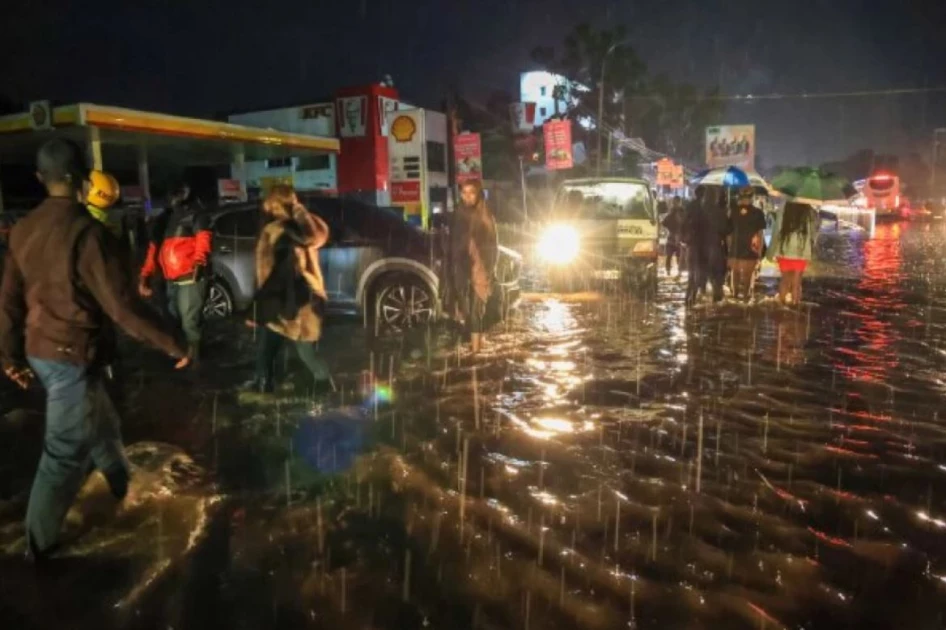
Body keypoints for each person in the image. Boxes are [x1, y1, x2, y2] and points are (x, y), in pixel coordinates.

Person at [0, 139, 188, 561]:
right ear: (84, 179)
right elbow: (121, 307)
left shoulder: (23, 230)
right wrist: (172, 341)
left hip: (40, 350)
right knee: (63, 453)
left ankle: (123, 487)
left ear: (39, 179)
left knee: (102, 422)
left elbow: (8, 300)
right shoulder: (86, 233)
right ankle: (37, 548)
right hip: (70, 353)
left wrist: (9, 357)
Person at [246, 185, 332, 394]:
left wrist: (257, 309)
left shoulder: (276, 232)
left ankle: (323, 388)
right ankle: (265, 383)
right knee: (276, 348)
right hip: (304, 297)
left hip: (289, 300)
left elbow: (273, 275)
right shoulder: (300, 229)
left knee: (294, 350)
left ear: (274, 205)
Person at [138, 183, 211, 364]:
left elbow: (204, 240)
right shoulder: (163, 220)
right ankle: (183, 355)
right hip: (171, 278)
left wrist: (199, 264)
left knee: (189, 321)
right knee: (173, 319)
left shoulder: (195, 215)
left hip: (190, 276)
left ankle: (194, 360)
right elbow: (153, 250)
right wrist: (145, 275)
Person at [450, 180, 498, 354]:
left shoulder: (485, 215)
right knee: (466, 311)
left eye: (471, 192)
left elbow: (493, 246)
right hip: (462, 269)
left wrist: (490, 271)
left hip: (481, 270)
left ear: (478, 194)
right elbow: (453, 243)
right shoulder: (458, 215)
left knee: (476, 310)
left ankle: (476, 353)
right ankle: (475, 344)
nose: (467, 196)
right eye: (464, 192)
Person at [768, 201, 816, 305]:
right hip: (801, 250)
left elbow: (776, 230)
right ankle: (796, 309)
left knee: (784, 280)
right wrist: (812, 248)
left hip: (784, 248)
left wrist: (771, 251)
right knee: (797, 283)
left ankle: (781, 306)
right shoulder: (809, 211)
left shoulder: (784, 208)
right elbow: (813, 232)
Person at [727, 187, 767, 301]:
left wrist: (729, 250)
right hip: (751, 250)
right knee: (748, 276)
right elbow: (760, 235)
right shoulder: (758, 213)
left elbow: (728, 234)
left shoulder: (732, 211)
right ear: (752, 197)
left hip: (735, 248)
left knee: (735, 274)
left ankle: (734, 298)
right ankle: (745, 300)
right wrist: (759, 253)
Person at [662, 195, 685, 277]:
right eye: (674, 202)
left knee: (678, 256)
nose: (675, 204)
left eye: (676, 202)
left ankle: (679, 271)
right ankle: (669, 270)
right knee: (670, 255)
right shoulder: (673, 212)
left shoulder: (682, 212)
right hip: (673, 236)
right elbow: (664, 222)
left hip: (678, 237)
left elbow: (664, 222)